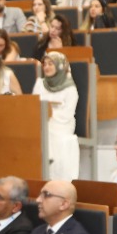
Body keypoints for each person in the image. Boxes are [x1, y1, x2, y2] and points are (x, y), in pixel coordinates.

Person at [37, 52, 80, 181]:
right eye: (45, 64)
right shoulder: (39, 84)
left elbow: (67, 114)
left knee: (47, 131)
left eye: (50, 64)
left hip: (62, 125)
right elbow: (34, 105)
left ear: (60, 66)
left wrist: (48, 113)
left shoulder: (70, 88)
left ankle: (51, 169)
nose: (46, 67)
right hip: (42, 121)